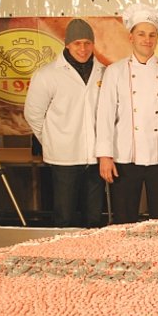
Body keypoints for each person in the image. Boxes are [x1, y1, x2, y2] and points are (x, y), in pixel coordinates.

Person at [96, 4, 158, 224]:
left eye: (152, 35)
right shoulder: (115, 72)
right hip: (125, 156)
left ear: (157, 39)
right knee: (124, 219)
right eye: (141, 34)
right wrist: (105, 156)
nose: (147, 39)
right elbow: (105, 117)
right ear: (131, 37)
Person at [24, 18, 105, 227]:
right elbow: (33, 114)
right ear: (67, 44)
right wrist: (51, 140)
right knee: (65, 216)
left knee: (94, 217)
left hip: (96, 156)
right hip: (64, 158)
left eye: (87, 43)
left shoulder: (104, 72)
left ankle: (94, 248)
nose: (83, 49)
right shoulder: (47, 75)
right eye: (77, 43)